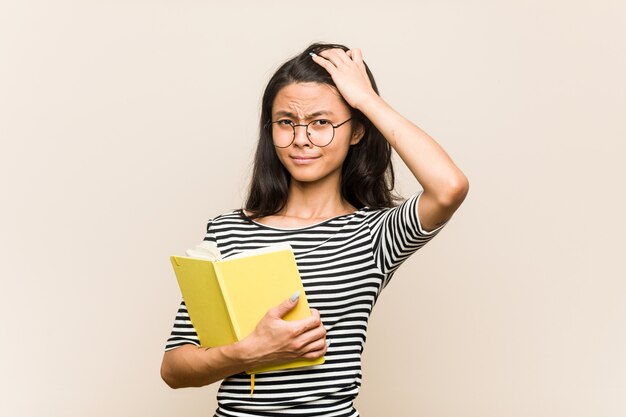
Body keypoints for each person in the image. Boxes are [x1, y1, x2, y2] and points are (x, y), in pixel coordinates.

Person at [161, 42, 469, 417]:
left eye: (322, 122)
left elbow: (449, 186)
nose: (301, 138)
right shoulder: (228, 231)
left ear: (356, 132)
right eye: (286, 122)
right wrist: (250, 352)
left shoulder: (373, 234)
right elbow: (174, 368)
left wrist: (366, 100)